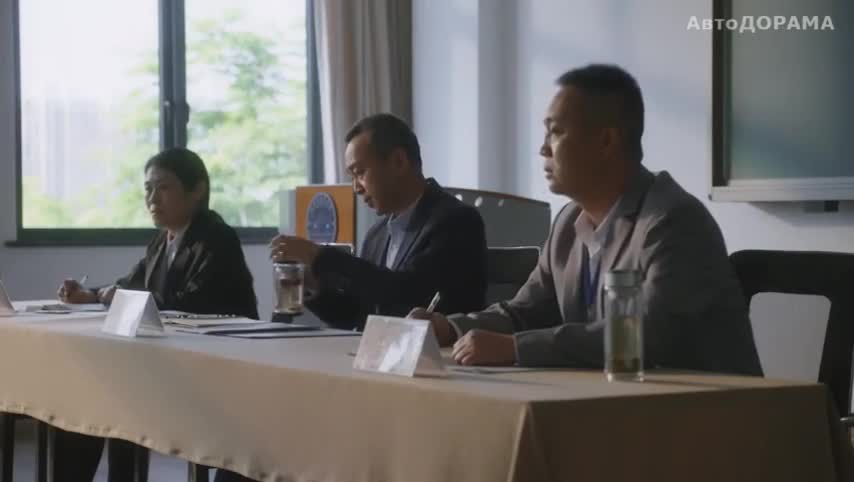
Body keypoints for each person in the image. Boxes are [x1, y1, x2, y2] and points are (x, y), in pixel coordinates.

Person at [410, 65, 762, 376]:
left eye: (555, 132)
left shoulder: (672, 221)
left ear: (606, 141)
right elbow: (525, 312)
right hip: (614, 401)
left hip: (707, 412)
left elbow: (643, 335)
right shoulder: (569, 223)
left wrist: (516, 348)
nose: (543, 149)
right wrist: (449, 328)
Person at [55, 147, 259, 482]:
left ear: (197, 190)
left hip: (215, 368)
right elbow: (130, 284)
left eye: (163, 187)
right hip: (167, 361)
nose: (152, 198)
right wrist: (89, 294)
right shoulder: (162, 241)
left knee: (112, 391)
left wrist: (121, 296)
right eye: (148, 189)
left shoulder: (215, 237)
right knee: (85, 395)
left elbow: (192, 304)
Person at [269, 113, 488, 330]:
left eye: (359, 172)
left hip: (440, 350)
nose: (356, 187)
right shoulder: (377, 234)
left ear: (398, 162)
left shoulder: (456, 221)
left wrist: (319, 255)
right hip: (384, 350)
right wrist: (314, 287)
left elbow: (409, 293)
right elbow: (358, 317)